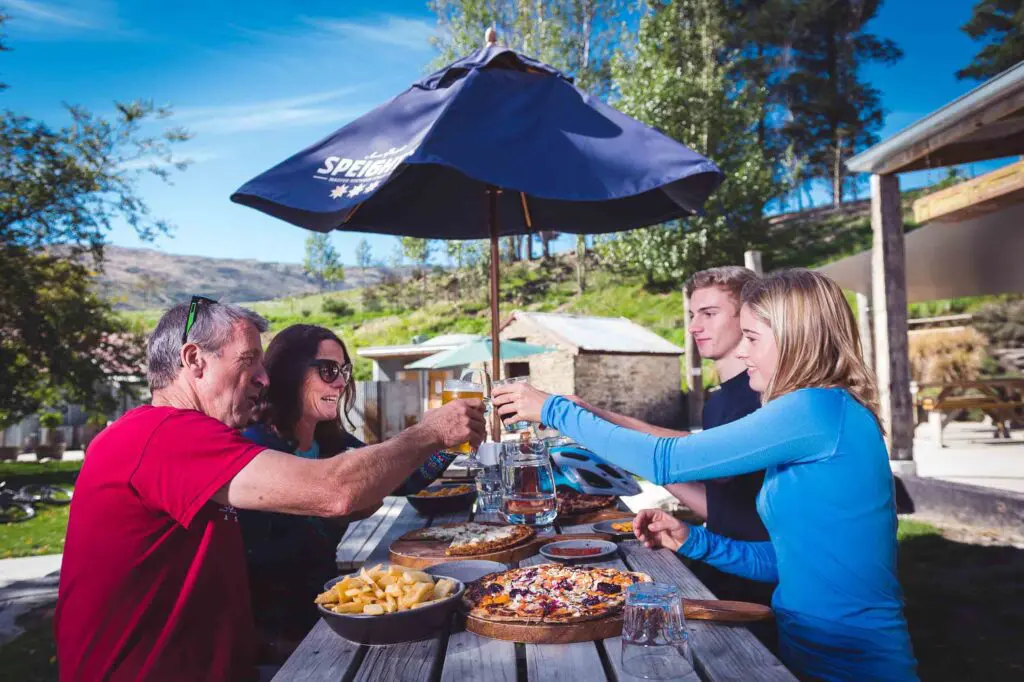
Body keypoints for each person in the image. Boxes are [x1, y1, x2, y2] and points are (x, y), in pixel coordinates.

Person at [493, 270, 918, 681]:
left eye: (752, 338)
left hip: (855, 661)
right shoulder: (822, 412)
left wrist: (553, 409)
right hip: (804, 653)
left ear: (795, 339)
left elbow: (665, 459)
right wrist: (694, 540)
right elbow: (788, 561)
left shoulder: (816, 409)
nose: (744, 352)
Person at [55, 299, 484, 682]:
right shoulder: (165, 435)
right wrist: (430, 432)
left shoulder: (178, 437)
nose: (264, 378)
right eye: (249, 362)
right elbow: (335, 491)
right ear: (194, 359)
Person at [238, 324, 458, 659]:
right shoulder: (254, 447)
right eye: (328, 370)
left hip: (335, 614)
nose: (341, 383)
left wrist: (449, 443)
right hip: (278, 639)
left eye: (344, 371)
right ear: (289, 372)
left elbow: (404, 479)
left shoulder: (332, 442)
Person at [562, 266, 772, 613]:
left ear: (748, 316)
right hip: (718, 563)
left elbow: (700, 458)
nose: (693, 327)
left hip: (761, 578)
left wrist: (601, 422)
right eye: (692, 315)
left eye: (709, 313)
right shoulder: (718, 401)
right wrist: (639, 463)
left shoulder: (763, 398)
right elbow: (723, 505)